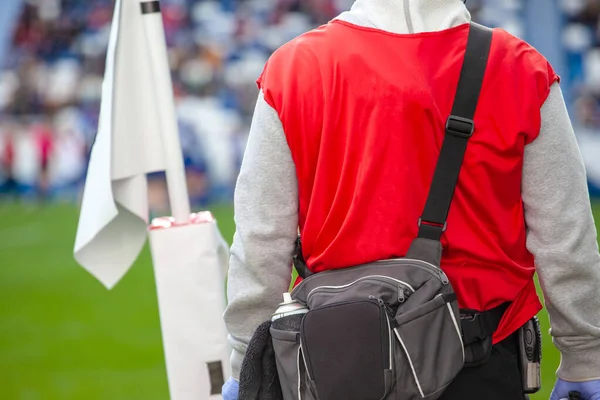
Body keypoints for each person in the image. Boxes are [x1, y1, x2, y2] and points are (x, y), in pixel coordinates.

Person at [222, 0, 600, 399]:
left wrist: (246, 361)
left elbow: (261, 240)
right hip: (480, 359)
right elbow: (565, 239)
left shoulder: (293, 69)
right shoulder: (521, 68)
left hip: (340, 361)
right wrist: (585, 358)